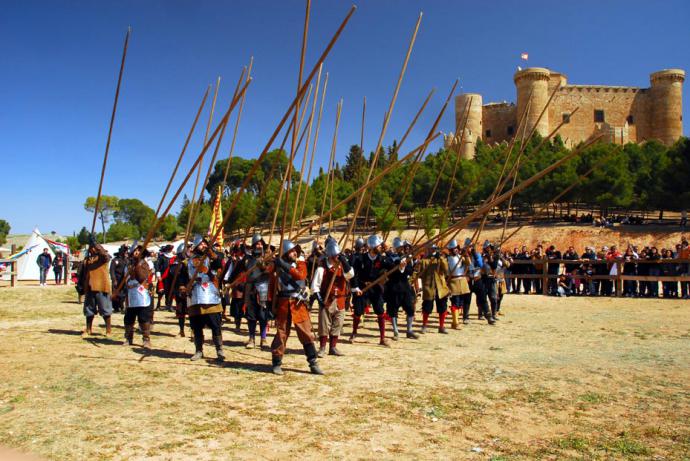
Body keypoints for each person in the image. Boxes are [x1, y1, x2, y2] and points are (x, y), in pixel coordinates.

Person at [270, 239, 323, 376]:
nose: (294, 253)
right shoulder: (277, 267)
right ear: (285, 253)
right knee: (281, 333)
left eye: (295, 251)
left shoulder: (301, 264)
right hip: (283, 303)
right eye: (291, 251)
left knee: (306, 333)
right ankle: (276, 362)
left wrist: (283, 265)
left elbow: (300, 275)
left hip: (298, 303)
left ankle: (313, 362)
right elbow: (271, 286)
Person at [311, 239, 354, 357]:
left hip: (340, 300)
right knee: (324, 325)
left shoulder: (343, 267)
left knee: (337, 324)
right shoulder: (322, 268)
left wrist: (344, 262)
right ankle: (322, 347)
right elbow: (315, 287)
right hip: (327, 300)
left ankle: (333, 347)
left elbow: (351, 275)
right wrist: (320, 300)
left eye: (338, 256)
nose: (337, 257)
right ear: (330, 256)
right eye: (335, 256)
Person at [229, 234, 272, 349]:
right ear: (253, 246)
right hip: (250, 289)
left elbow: (271, 272)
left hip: (263, 288)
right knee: (251, 315)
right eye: (257, 243)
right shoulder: (247, 259)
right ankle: (251, 339)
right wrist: (235, 283)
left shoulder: (268, 257)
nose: (259, 245)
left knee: (263, 316)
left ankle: (263, 338)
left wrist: (265, 265)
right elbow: (235, 272)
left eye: (261, 244)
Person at [187, 235, 225, 362]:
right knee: (197, 326)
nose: (203, 245)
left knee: (215, 325)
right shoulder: (188, 261)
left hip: (210, 293)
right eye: (201, 244)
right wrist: (182, 287)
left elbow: (219, 266)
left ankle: (219, 350)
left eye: (205, 244)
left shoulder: (213, 258)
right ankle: (198, 351)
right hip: (195, 294)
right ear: (196, 246)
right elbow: (183, 278)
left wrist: (213, 255)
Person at [350, 235, 389, 346]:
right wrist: (356, 287)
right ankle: (354, 333)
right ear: (372, 246)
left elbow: (392, 264)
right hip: (362, 287)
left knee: (380, 311)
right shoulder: (360, 258)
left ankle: (382, 338)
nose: (381, 247)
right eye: (379, 246)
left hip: (375, 288)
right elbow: (353, 275)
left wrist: (388, 252)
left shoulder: (381, 259)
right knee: (358, 312)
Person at [382, 237, 419, 341]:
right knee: (393, 311)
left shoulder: (407, 258)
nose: (401, 249)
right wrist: (397, 266)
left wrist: (403, 267)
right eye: (399, 247)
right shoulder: (389, 258)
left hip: (405, 287)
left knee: (410, 309)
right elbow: (388, 268)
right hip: (393, 287)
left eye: (402, 247)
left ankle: (409, 330)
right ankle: (395, 331)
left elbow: (410, 271)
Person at [122, 243, 154, 348]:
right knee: (129, 318)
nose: (136, 252)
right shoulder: (128, 265)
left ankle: (146, 339)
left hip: (142, 293)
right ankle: (128, 338)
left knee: (144, 318)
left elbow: (142, 277)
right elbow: (125, 279)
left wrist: (137, 267)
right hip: (131, 293)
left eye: (138, 251)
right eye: (134, 251)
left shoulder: (145, 264)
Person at [415, 243, 450, 334]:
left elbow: (446, 269)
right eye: (431, 249)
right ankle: (424, 325)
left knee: (442, 307)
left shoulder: (441, 259)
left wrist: (441, 258)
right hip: (429, 287)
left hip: (440, 287)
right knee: (427, 307)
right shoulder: (424, 261)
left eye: (434, 249)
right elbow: (419, 273)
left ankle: (441, 326)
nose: (433, 251)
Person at [82, 236, 113, 337]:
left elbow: (105, 255)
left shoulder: (103, 258)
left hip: (101, 286)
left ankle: (108, 330)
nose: (93, 249)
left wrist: (95, 244)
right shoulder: (87, 259)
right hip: (90, 287)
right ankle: (88, 329)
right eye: (91, 247)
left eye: (94, 247)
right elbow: (83, 273)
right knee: (89, 310)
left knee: (105, 309)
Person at [446, 239, 472, 328]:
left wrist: (466, 254)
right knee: (455, 302)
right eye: (453, 248)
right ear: (450, 250)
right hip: (453, 281)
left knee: (461, 302)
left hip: (462, 281)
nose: (455, 250)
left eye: (456, 248)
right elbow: (446, 271)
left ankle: (456, 321)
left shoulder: (460, 257)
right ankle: (455, 322)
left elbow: (469, 263)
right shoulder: (447, 259)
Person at [110, 245, 128, 313]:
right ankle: (116, 308)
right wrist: (114, 280)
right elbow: (112, 270)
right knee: (116, 294)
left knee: (124, 294)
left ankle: (122, 306)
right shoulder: (115, 260)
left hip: (124, 280)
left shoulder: (127, 260)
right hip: (117, 280)